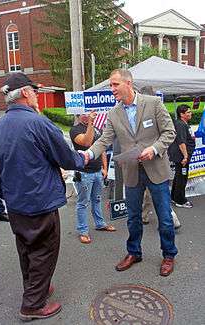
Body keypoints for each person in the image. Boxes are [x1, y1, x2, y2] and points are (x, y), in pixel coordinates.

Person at [0, 73, 85, 321]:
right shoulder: (37, 123)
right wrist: (83, 158)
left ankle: (36, 289)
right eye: (33, 91)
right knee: (44, 250)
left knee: (27, 250)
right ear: (23, 93)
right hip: (40, 203)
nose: (36, 96)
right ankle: (32, 304)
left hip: (16, 204)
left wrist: (3, 196)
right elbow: (67, 158)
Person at [84, 69, 178, 276]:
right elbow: (104, 140)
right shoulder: (113, 113)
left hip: (156, 170)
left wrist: (153, 149)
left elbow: (169, 132)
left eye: (115, 84)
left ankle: (169, 254)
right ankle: (134, 252)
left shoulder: (153, 103)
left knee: (164, 217)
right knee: (133, 217)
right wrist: (89, 154)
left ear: (129, 83)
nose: (112, 89)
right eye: (110, 85)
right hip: (132, 173)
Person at [69, 112, 115, 244]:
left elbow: (102, 149)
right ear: (78, 115)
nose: (87, 115)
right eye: (84, 114)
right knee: (83, 202)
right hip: (84, 172)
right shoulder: (75, 130)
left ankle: (100, 223)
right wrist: (90, 123)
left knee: (97, 199)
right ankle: (83, 231)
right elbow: (86, 142)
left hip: (97, 172)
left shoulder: (97, 129)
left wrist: (104, 168)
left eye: (89, 113)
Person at [168, 104, 196, 208]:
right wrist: (185, 156)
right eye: (188, 112)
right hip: (181, 157)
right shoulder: (180, 125)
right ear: (182, 114)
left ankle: (174, 197)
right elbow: (181, 142)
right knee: (182, 178)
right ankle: (180, 200)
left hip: (182, 156)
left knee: (179, 176)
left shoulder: (183, 123)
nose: (190, 114)